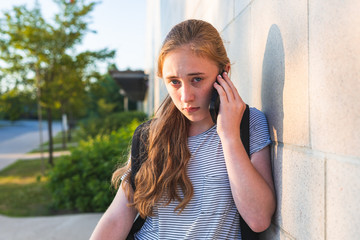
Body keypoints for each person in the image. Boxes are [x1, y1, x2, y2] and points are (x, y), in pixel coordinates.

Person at [90, 19, 276, 239]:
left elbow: (259, 219)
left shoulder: (247, 124)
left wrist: (229, 136)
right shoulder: (150, 135)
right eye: (174, 82)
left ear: (224, 72)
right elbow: (115, 219)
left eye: (197, 79)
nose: (186, 96)